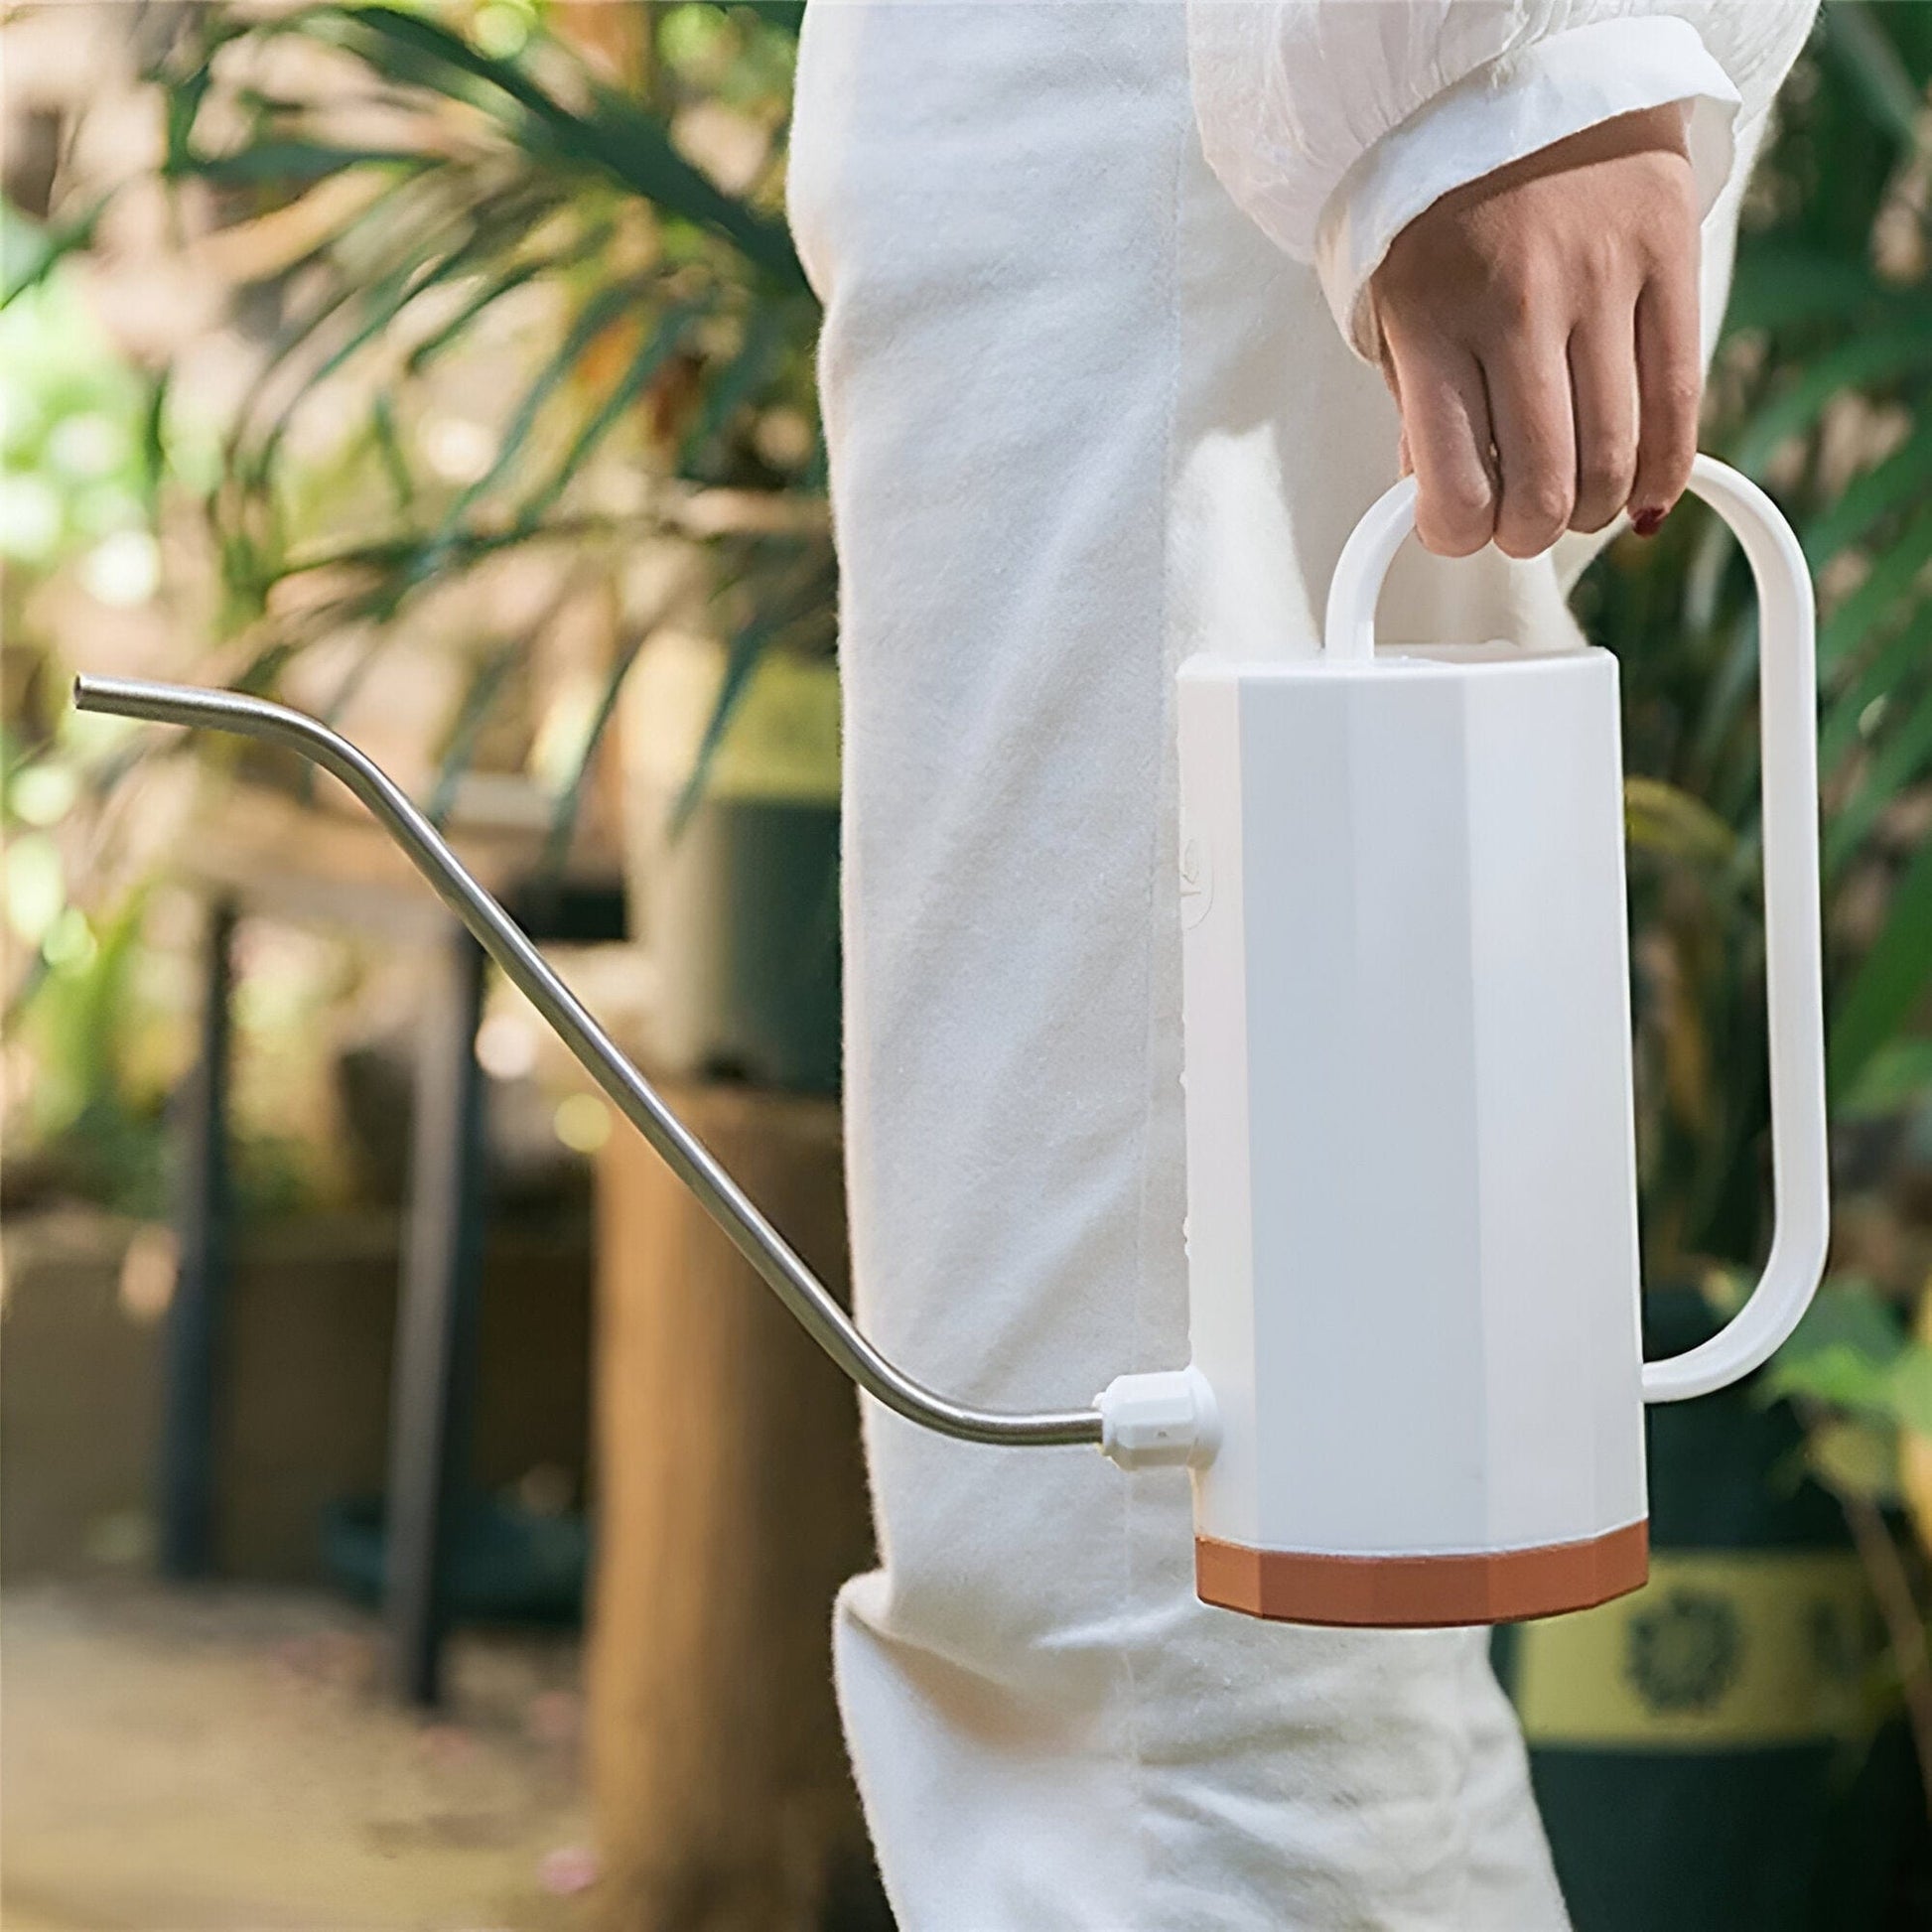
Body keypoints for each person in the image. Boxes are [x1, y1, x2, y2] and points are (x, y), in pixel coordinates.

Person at [784, 4, 1817, 1924]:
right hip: (1202, 122)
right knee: (1174, 1632)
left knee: (1173, 1661)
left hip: (1216, 114)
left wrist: (1478, 64)